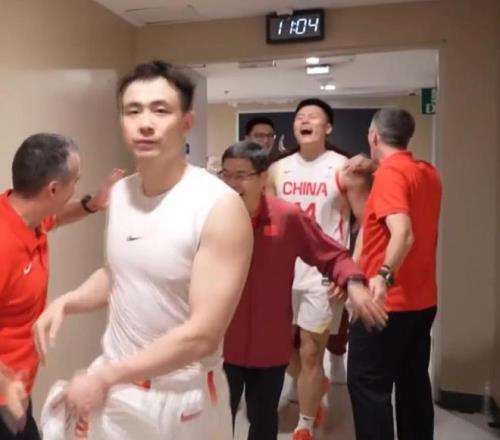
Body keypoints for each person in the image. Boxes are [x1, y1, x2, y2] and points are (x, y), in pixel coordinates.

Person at [36, 60, 253, 440]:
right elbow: (119, 272)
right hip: (118, 390)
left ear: (186, 121)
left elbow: (202, 335)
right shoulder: (121, 194)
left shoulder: (218, 207)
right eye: (133, 111)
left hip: (182, 400)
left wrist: (105, 377)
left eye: (161, 110)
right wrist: (66, 302)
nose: (145, 123)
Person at [220, 141, 386, 440]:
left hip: (269, 346)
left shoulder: (286, 217)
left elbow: (332, 254)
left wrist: (353, 282)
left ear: (262, 177)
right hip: (221, 345)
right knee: (218, 423)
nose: (232, 183)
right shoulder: (211, 215)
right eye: (226, 174)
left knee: (263, 420)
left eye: (241, 175)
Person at [0, 133, 122, 439]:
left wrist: (92, 204)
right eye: (75, 182)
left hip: (16, 393)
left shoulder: (26, 214)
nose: (76, 189)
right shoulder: (3, 245)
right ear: (53, 189)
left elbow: (55, 217)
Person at [267, 98, 369, 440]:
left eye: (313, 116)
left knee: (312, 352)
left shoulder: (344, 168)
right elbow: (268, 222)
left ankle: (305, 424)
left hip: (323, 277)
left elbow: (366, 224)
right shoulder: (277, 169)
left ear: (328, 127)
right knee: (280, 348)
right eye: (300, 117)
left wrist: (350, 273)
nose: (305, 120)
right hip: (282, 273)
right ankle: (313, 384)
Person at [347, 107, 442, 440]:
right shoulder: (428, 172)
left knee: (367, 387)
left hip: (385, 305)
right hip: (422, 303)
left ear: (374, 136)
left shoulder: (390, 175)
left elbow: (403, 233)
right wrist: (372, 165)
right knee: (413, 386)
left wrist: (383, 277)